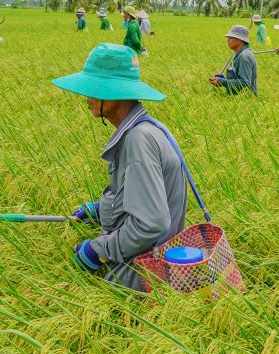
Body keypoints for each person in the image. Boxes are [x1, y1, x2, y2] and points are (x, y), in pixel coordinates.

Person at [52, 43, 188, 292]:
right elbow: (143, 196)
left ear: (112, 92)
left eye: (93, 89)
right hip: (154, 253)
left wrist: (97, 250)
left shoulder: (139, 140)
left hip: (146, 269)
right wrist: (100, 208)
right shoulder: (149, 127)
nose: (87, 98)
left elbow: (152, 224)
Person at [209, 25, 258, 96]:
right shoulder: (240, 54)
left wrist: (222, 82)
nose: (228, 41)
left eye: (230, 38)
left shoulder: (244, 56)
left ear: (240, 39)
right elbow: (237, 78)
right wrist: (221, 79)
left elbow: (244, 83)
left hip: (244, 101)